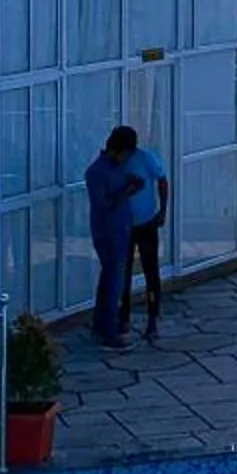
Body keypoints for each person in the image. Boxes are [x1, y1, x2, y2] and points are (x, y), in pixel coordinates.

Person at [86, 125, 170, 347]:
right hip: (116, 230)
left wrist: (162, 210)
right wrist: (128, 190)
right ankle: (116, 323)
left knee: (146, 272)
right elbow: (105, 203)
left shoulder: (143, 159)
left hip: (142, 224)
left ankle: (150, 318)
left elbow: (162, 181)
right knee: (117, 279)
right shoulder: (102, 170)